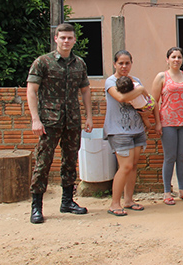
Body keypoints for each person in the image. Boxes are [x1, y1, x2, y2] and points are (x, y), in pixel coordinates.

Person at [27, 23, 93, 224]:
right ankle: (36, 207)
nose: (66, 41)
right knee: (43, 162)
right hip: (49, 121)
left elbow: (85, 90)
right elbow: (31, 90)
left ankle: (67, 201)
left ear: (74, 40)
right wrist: (35, 119)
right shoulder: (43, 62)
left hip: (72, 120)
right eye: (62, 37)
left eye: (69, 38)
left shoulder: (79, 64)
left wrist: (89, 116)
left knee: (70, 161)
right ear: (56, 39)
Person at [104, 50, 157, 216]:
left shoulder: (137, 81)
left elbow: (146, 103)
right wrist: (140, 90)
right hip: (119, 131)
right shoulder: (110, 82)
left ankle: (128, 200)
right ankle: (114, 203)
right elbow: (121, 98)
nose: (124, 66)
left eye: (127, 63)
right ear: (115, 64)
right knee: (125, 166)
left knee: (133, 166)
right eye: (121, 63)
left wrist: (147, 116)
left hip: (137, 129)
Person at [151, 47, 183, 205]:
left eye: (179, 57)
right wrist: (158, 122)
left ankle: (182, 190)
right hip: (168, 123)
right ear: (167, 59)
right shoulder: (161, 77)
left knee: (181, 157)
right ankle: (166, 191)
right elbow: (154, 101)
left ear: (182, 60)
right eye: (173, 57)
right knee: (170, 157)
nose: (176, 60)